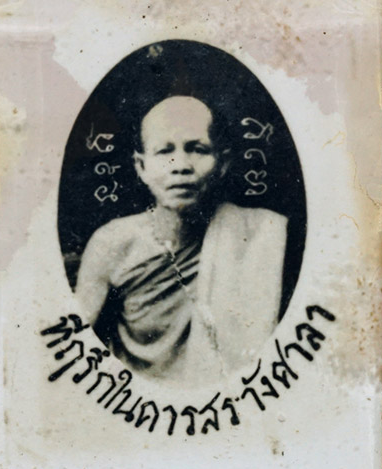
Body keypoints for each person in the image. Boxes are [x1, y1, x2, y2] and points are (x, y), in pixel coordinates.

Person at [76, 95, 287, 385]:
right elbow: (76, 347)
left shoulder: (260, 234)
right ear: (141, 167)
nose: (181, 165)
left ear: (222, 163)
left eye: (197, 149)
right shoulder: (113, 243)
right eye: (164, 151)